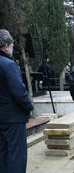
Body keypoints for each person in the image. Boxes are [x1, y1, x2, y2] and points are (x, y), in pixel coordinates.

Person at [0, 29, 34, 173]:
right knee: (16, 155)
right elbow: (19, 92)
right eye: (12, 45)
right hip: (12, 118)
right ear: (6, 46)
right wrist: (29, 106)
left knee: (2, 154)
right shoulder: (8, 64)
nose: (13, 47)